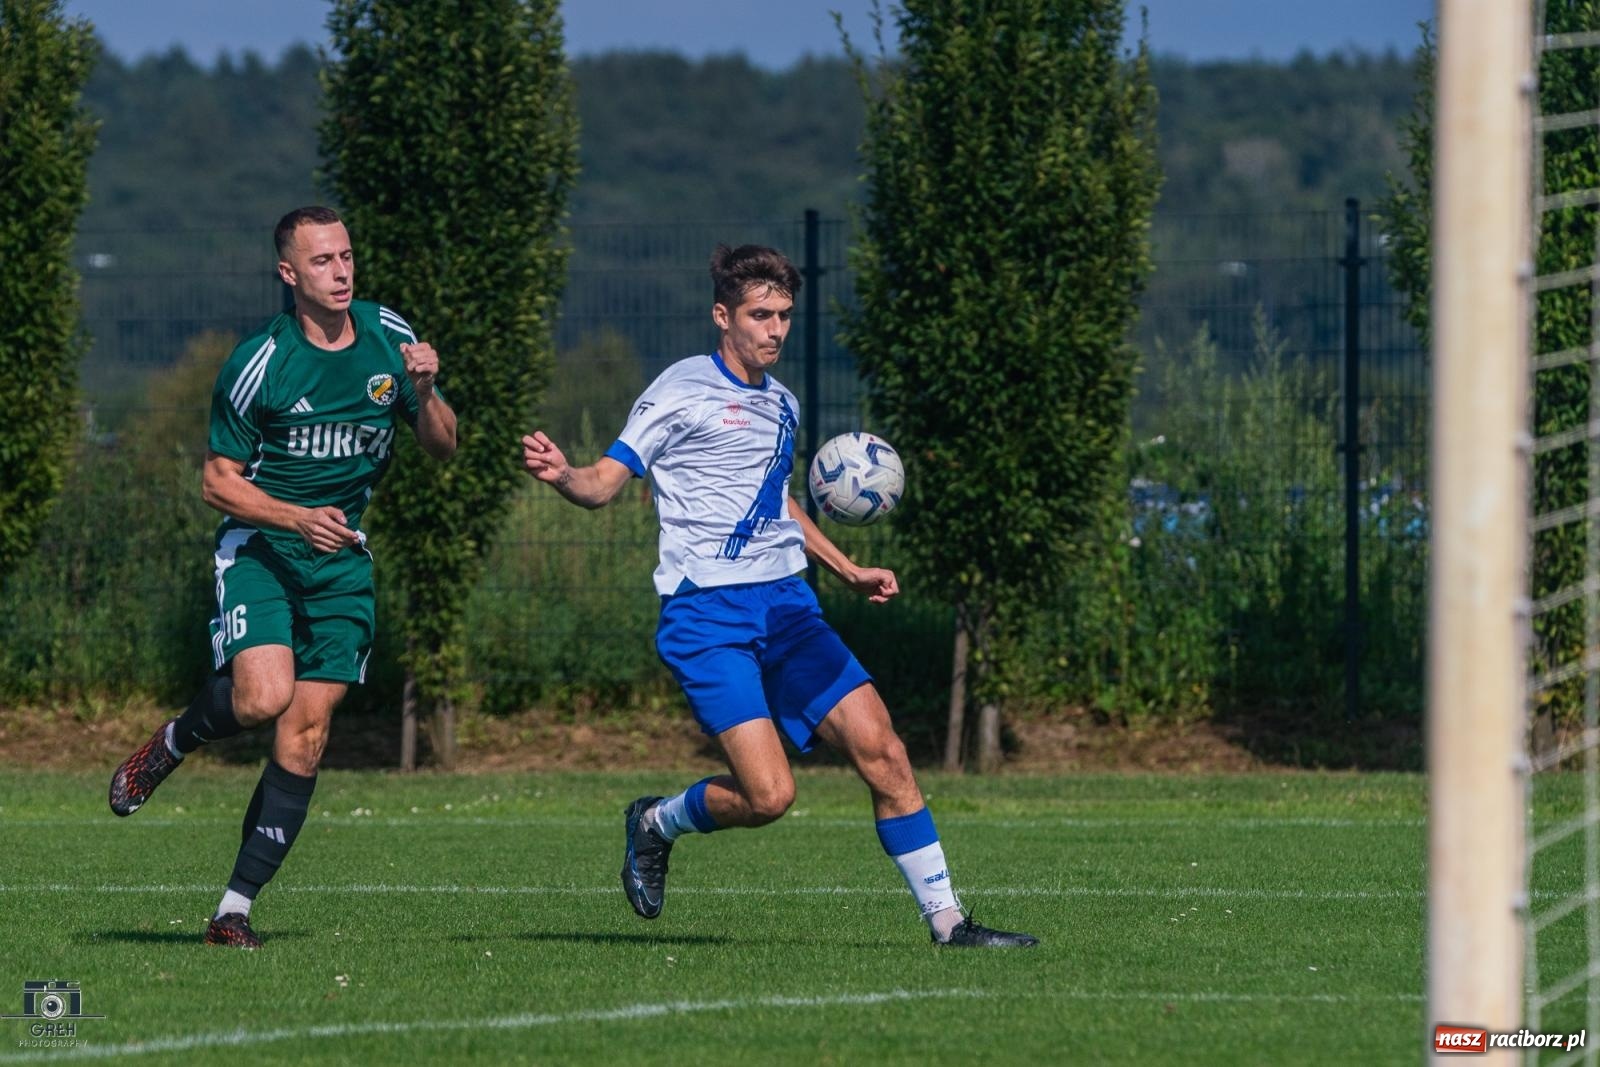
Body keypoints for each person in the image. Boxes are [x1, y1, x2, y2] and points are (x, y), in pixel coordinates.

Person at [520, 243, 1037, 948]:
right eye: (761, 314)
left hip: (789, 607)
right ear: (722, 316)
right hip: (707, 616)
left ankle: (949, 924)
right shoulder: (680, 388)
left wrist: (846, 566)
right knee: (770, 796)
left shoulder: (784, 405)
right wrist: (563, 474)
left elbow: (778, 503)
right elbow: (603, 484)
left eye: (785, 315)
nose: (775, 329)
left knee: (884, 749)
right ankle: (655, 822)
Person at [107, 206, 458, 949]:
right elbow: (216, 482)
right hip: (263, 547)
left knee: (307, 733)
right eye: (322, 261)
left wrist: (425, 390)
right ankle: (173, 740)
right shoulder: (259, 361)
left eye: (347, 256)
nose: (340, 271)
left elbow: (444, 445)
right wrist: (296, 517)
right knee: (262, 696)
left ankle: (233, 909)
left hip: (342, 565)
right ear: (288, 274)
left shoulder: (392, 338)